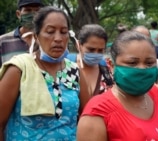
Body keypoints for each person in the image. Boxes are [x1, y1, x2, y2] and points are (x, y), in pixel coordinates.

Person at [77, 21, 158, 140]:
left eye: (149, 63)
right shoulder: (98, 112)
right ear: (111, 64)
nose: (142, 69)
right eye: (132, 63)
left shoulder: (155, 94)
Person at [0, 6, 90, 140]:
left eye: (64, 32)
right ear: (36, 36)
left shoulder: (75, 71)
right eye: (50, 31)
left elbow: (88, 118)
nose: (58, 38)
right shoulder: (19, 69)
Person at [66, 24, 113, 96]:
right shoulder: (65, 66)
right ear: (78, 45)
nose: (96, 53)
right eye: (91, 49)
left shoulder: (105, 69)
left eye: (100, 50)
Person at [0, 0, 44, 67]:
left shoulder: (49, 41)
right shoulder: (3, 42)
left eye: (37, 10)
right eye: (28, 10)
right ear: (18, 14)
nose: (33, 14)